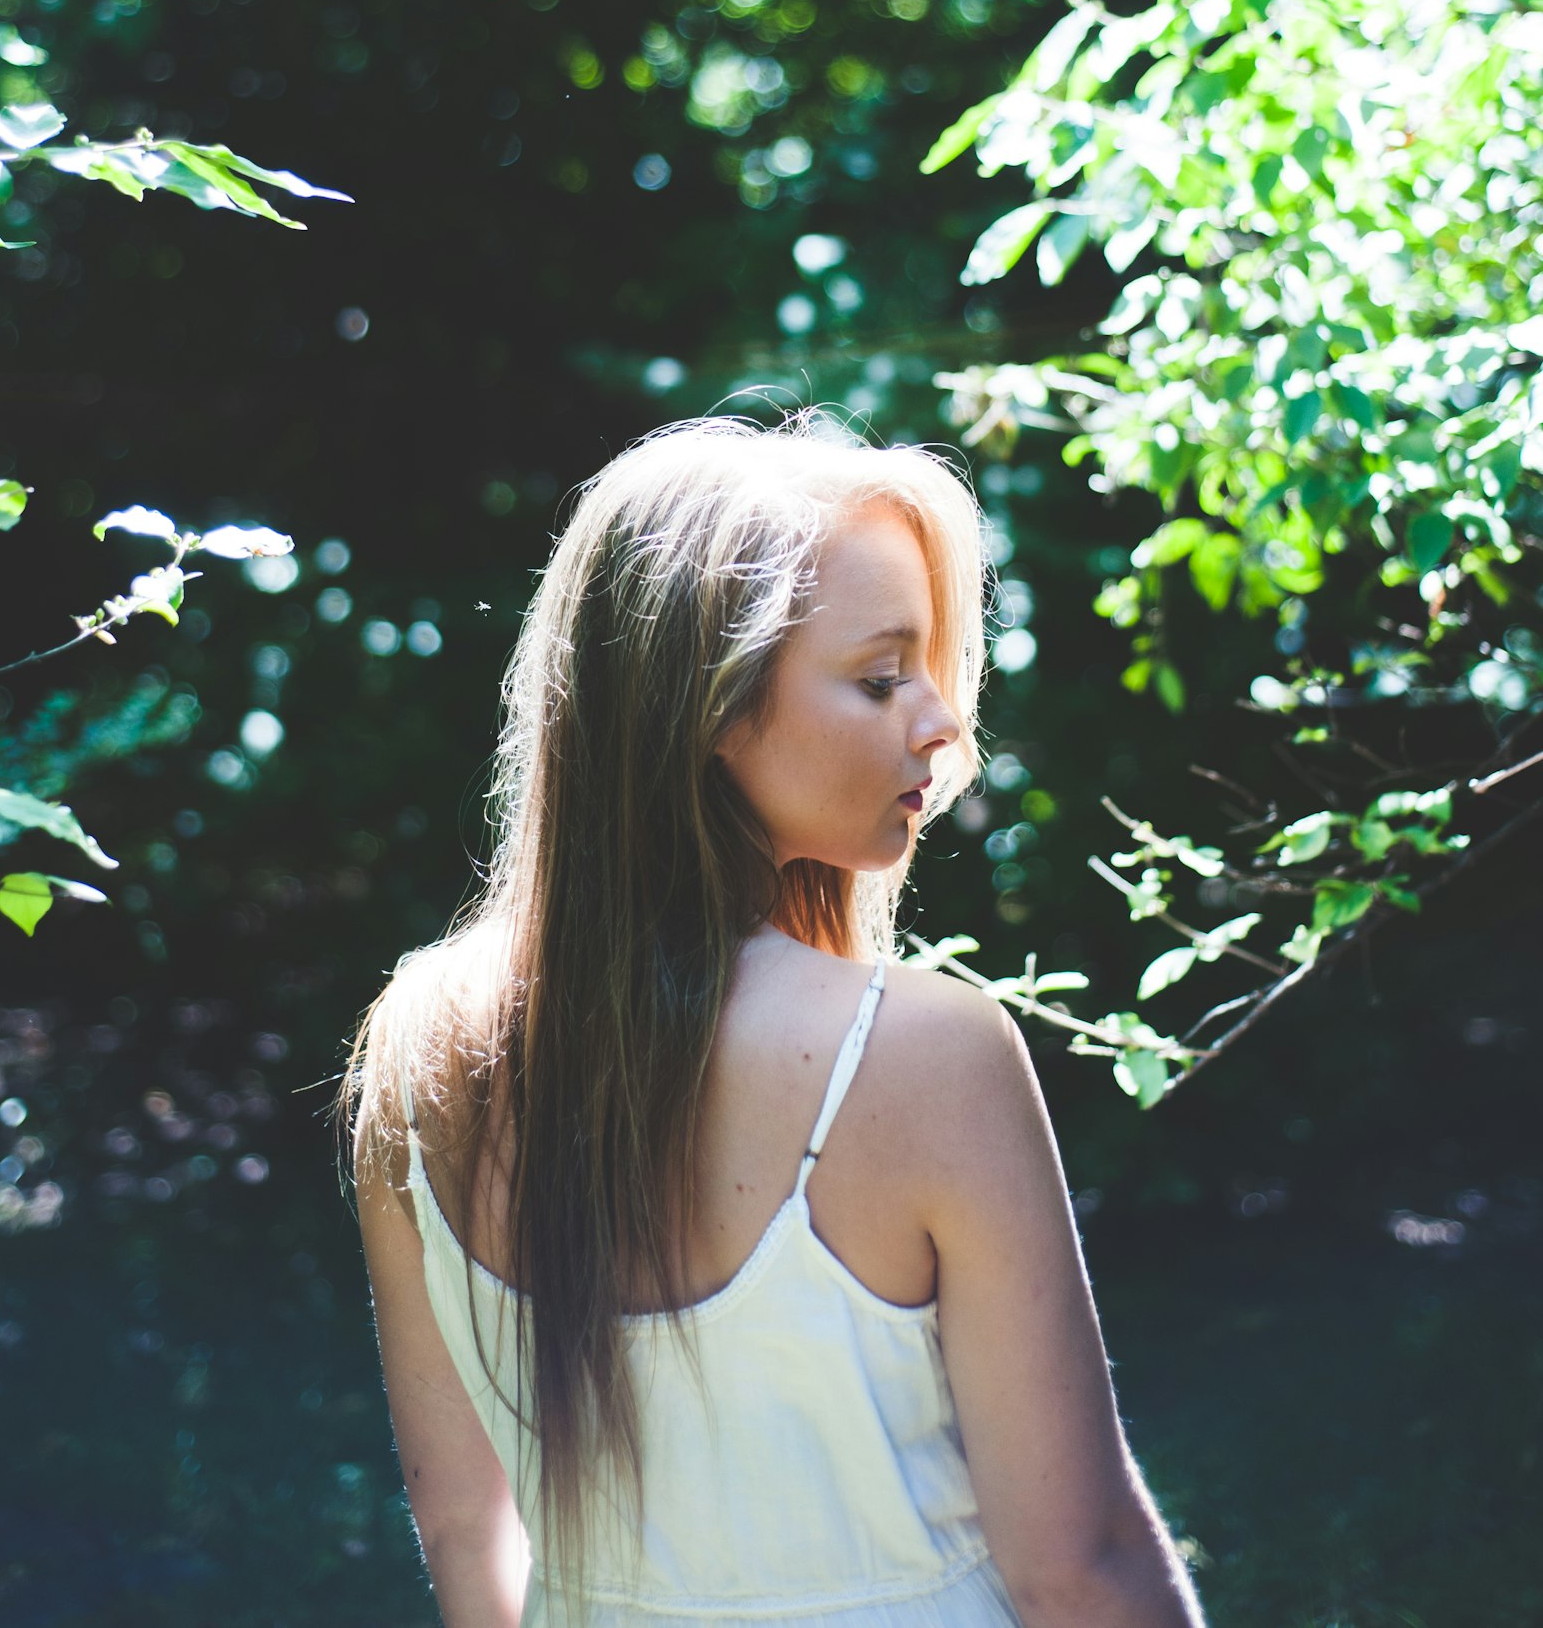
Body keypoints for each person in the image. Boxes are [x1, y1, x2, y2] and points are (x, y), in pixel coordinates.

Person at [344, 412, 1207, 1628]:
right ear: (706, 704)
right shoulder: (923, 1052)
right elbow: (1082, 1564)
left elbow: (461, 1526)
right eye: (878, 675)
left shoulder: (417, 1045)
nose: (941, 721)